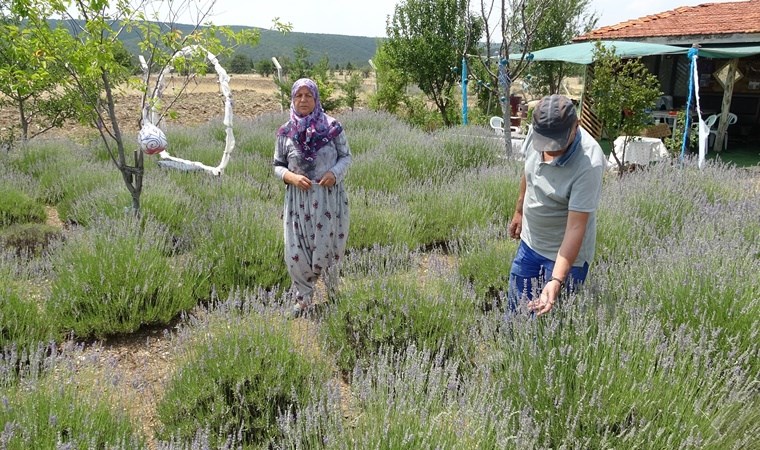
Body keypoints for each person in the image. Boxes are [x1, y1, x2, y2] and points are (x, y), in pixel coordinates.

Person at [507, 94, 605, 316]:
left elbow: (576, 227)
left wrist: (556, 279)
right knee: (516, 314)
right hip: (530, 245)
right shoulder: (539, 129)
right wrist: (519, 211)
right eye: (545, 141)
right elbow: (529, 172)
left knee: (552, 325)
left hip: (564, 257)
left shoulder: (589, 162)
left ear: (575, 127)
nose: (550, 148)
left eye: (557, 142)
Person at [273, 78, 352, 317]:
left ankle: (333, 293)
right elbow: (277, 165)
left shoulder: (333, 127)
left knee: (329, 249)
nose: (303, 100)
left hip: (328, 199)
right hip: (298, 201)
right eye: (299, 95)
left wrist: (333, 173)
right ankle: (303, 299)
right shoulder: (285, 132)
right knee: (296, 251)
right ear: (293, 99)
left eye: (308, 95)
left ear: (316, 99)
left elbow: (346, 157)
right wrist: (290, 177)